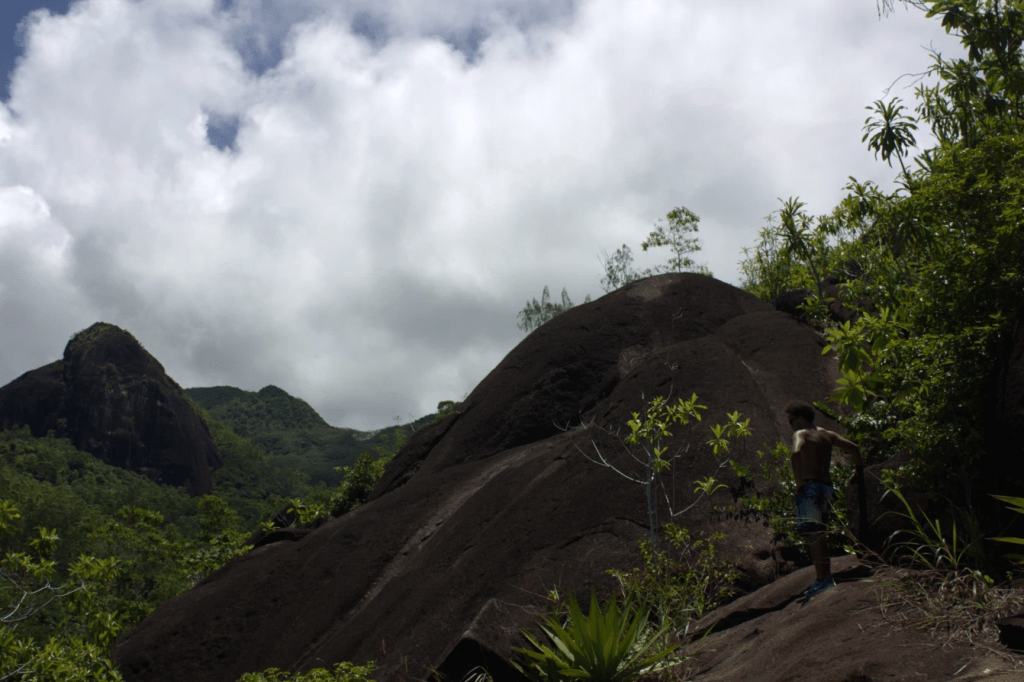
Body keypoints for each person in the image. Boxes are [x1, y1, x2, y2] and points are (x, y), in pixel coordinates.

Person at [784, 401, 862, 598]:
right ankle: (824, 577)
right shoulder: (828, 434)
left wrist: (798, 482)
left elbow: (795, 453)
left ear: (800, 418)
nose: (791, 425)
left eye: (791, 421)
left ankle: (823, 579)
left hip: (809, 487)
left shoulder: (801, 434)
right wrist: (859, 470)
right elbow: (854, 448)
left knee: (815, 535)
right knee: (821, 534)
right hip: (827, 488)